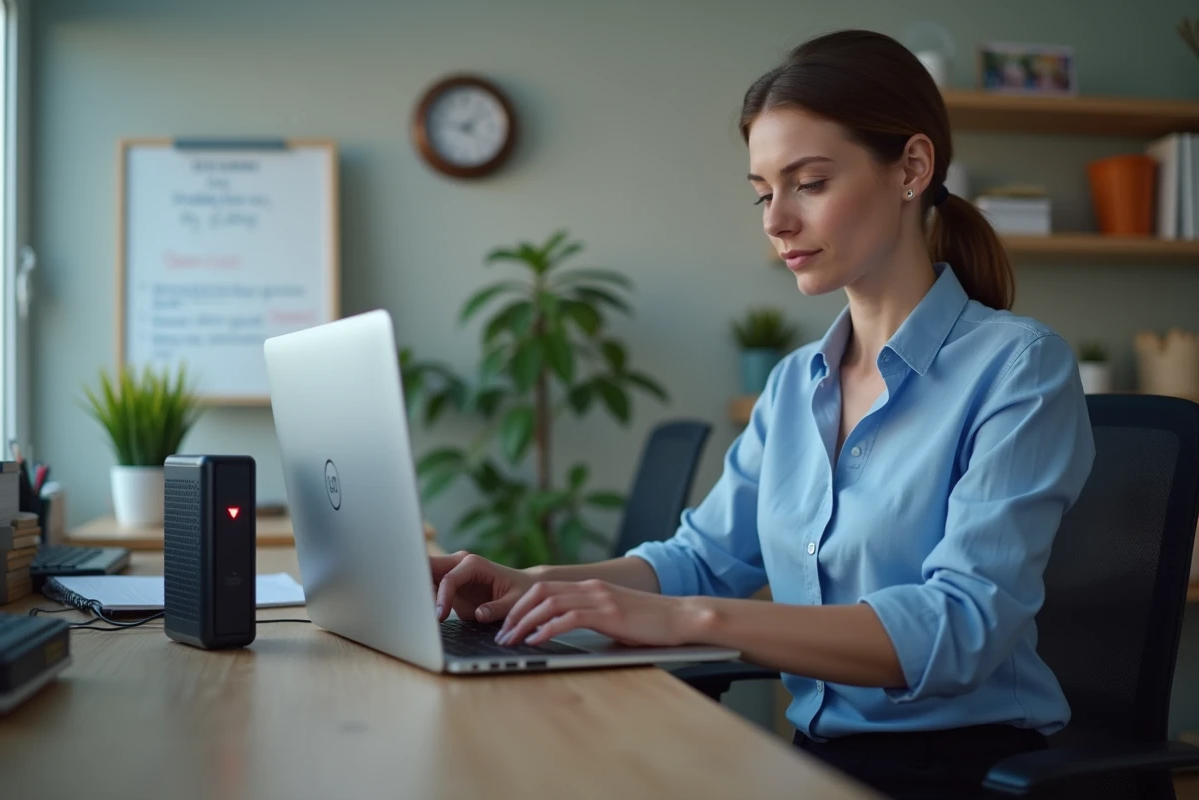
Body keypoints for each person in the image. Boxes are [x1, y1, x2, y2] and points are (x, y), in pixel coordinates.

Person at [430, 29, 1095, 800]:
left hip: (964, 769)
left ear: (912, 168)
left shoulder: (1018, 367)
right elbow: (700, 560)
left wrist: (691, 622)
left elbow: (960, 627)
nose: (775, 221)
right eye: (763, 191)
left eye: (808, 183)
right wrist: (529, 583)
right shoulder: (793, 385)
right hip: (815, 755)